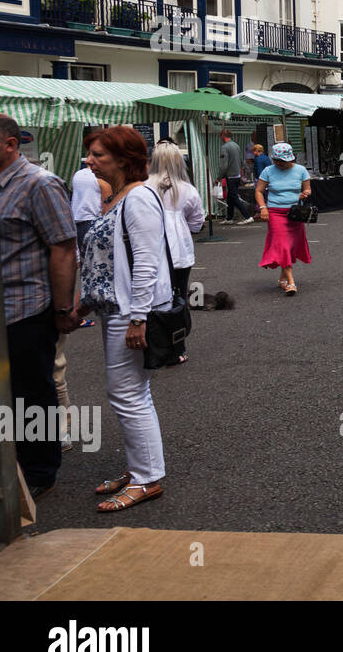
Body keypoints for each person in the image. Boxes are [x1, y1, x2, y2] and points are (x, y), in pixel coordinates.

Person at [72, 125, 173, 512]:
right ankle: (141, 469)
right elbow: (107, 262)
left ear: (123, 159)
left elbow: (147, 263)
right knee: (131, 393)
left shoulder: (138, 198)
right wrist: (86, 304)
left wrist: (138, 318)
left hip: (129, 312)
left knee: (128, 395)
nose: (89, 160)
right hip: (115, 310)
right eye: (90, 154)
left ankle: (147, 478)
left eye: (98, 154)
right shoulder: (118, 197)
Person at [0, 113, 77, 500]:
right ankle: (9, 460)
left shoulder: (39, 184)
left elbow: (63, 246)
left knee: (32, 391)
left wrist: (62, 310)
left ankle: (40, 471)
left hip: (26, 307)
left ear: (10, 144)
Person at [146, 141, 204, 365]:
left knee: (151, 300)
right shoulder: (187, 190)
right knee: (177, 300)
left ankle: (153, 343)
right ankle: (177, 346)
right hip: (179, 252)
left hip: (150, 251)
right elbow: (197, 223)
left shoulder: (144, 187)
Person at [255, 143, 311, 295]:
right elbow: (259, 191)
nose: (279, 163)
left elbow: (308, 188)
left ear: (290, 158)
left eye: (282, 160)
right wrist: (263, 208)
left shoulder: (301, 170)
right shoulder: (268, 171)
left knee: (289, 247)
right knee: (283, 245)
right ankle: (291, 282)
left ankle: (282, 279)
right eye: (276, 160)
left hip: (295, 213)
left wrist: (305, 193)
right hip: (275, 213)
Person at [72, 132, 110, 252]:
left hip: (77, 222)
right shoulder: (102, 180)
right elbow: (107, 210)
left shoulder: (78, 174)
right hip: (94, 223)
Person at [218, 129, 255, 224]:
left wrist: (219, 177)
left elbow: (224, 165)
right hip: (237, 175)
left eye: (220, 135)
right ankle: (229, 218)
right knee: (230, 198)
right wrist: (241, 172)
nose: (220, 137)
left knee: (234, 197)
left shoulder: (224, 147)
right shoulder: (236, 145)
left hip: (230, 176)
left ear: (223, 135)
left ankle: (248, 216)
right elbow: (241, 161)